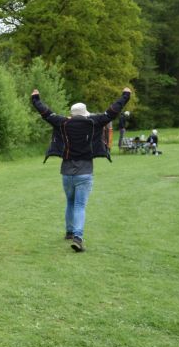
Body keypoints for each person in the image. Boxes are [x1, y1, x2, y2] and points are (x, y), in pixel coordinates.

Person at [31, 87, 131, 252]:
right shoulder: (93, 122)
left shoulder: (62, 122)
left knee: (70, 202)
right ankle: (77, 237)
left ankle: (69, 232)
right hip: (84, 172)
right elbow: (112, 112)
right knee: (79, 205)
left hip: (66, 172)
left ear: (72, 114)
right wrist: (125, 96)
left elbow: (46, 113)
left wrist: (36, 99)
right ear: (85, 113)